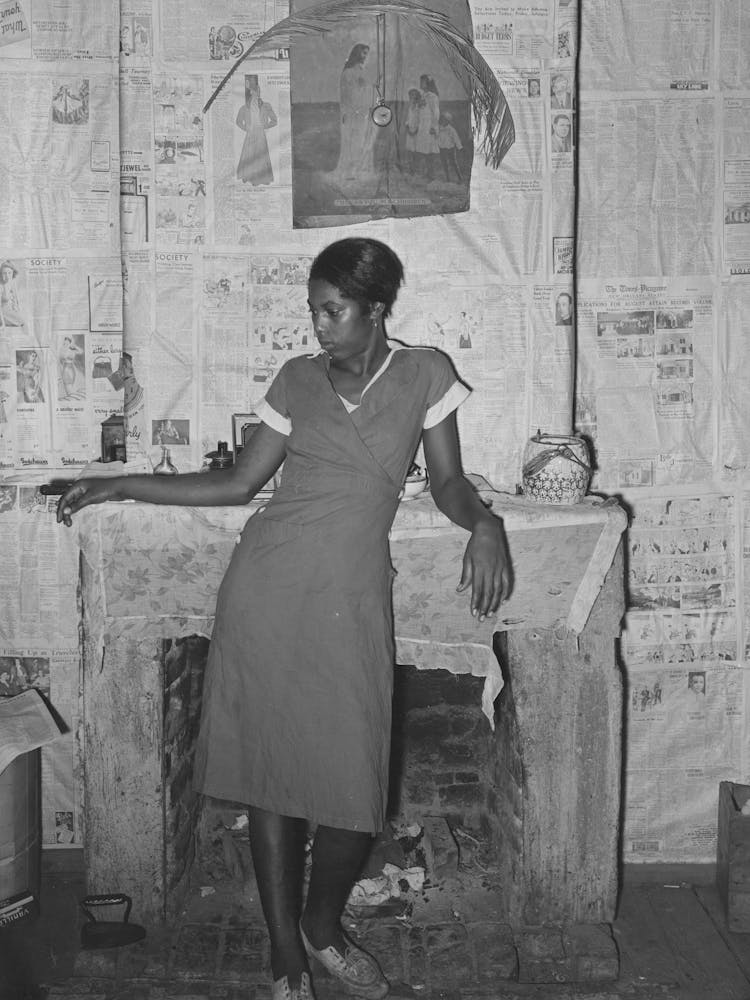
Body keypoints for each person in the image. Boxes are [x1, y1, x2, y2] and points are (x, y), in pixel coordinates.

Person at [56, 238, 511, 1000]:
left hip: (351, 592)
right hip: (266, 586)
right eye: (314, 312)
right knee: (271, 781)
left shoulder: (426, 372)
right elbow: (238, 484)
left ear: (374, 310)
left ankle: (322, 926)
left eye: (333, 311)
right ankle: (285, 954)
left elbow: (449, 483)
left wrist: (487, 525)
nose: (320, 326)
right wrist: (118, 484)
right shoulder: (296, 381)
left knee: (354, 791)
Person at [335, 44, 377, 181]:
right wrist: (364, 87)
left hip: (362, 111)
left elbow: (366, 89)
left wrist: (371, 86)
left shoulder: (361, 71)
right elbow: (348, 94)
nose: (365, 57)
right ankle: (349, 171)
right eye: (364, 53)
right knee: (352, 141)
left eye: (367, 54)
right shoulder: (349, 72)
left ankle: (358, 169)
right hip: (352, 111)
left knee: (360, 140)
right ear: (358, 54)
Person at [236, 75, 277, 186]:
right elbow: (238, 121)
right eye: (253, 92)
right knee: (249, 156)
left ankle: (262, 179)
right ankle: (249, 177)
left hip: (260, 134)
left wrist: (264, 126)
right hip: (250, 134)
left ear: (259, 92)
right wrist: (246, 128)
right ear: (250, 93)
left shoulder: (266, 106)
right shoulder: (244, 108)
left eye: (257, 91)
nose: (255, 94)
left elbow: (274, 120)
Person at [415, 74, 440, 178]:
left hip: (429, 126)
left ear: (428, 83)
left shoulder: (432, 96)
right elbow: (418, 111)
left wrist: (433, 127)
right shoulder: (422, 96)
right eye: (420, 81)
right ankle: (427, 172)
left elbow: (436, 112)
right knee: (424, 150)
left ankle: (432, 173)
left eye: (423, 81)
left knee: (430, 150)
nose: (421, 83)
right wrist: (418, 106)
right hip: (422, 126)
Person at [437, 112, 464, 183]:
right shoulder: (439, 129)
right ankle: (448, 178)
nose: (443, 121)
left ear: (448, 121)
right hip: (442, 149)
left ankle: (460, 177)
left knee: (454, 163)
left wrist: (459, 147)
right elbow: (437, 137)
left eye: (445, 120)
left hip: (450, 149)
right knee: (444, 163)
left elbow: (456, 139)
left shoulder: (451, 130)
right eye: (442, 120)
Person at [0, 260, 25, 328]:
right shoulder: (1, 286)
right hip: (1, 312)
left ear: (13, 273)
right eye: (4, 273)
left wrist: (18, 311)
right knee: (19, 321)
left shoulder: (12, 283)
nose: (7, 276)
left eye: (9, 273)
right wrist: (3, 324)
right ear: (1, 274)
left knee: (22, 320)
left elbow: (16, 300)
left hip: (9, 311)